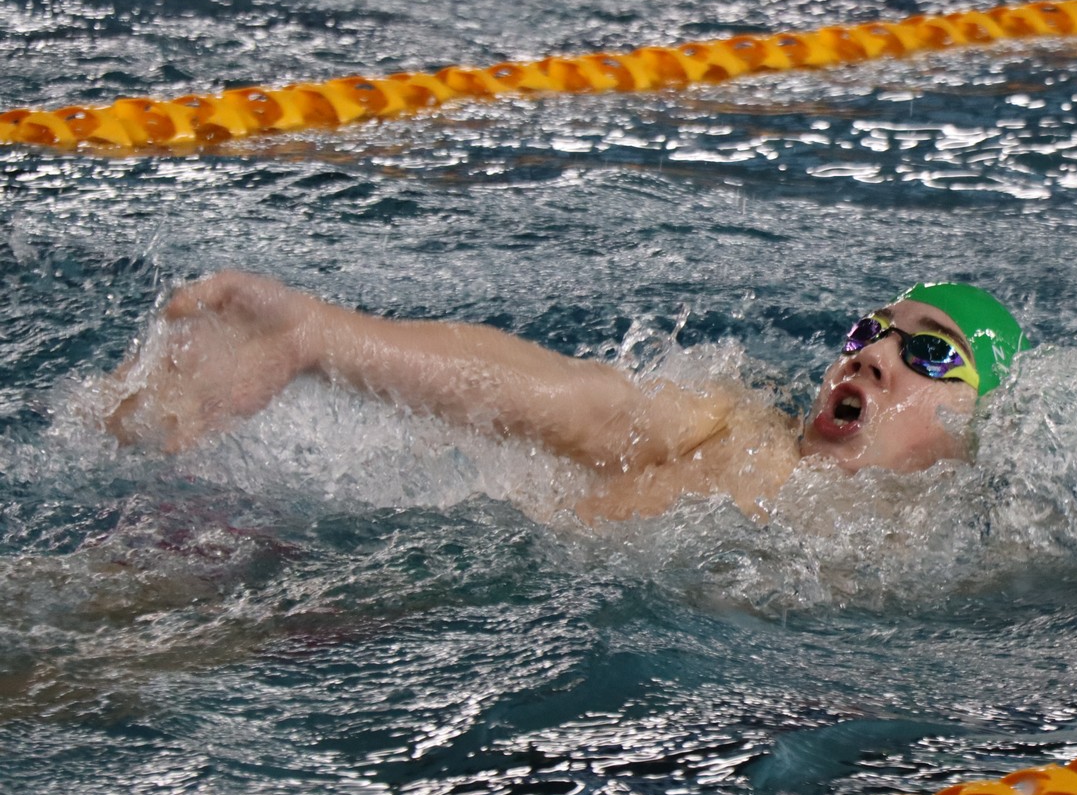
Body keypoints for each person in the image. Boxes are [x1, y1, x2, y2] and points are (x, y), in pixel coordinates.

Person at [105, 272, 1029, 521]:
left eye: (930, 354)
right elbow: (585, 405)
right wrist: (319, 338)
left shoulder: (961, 553)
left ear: (983, 427)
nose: (874, 357)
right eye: (868, 332)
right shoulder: (735, 424)